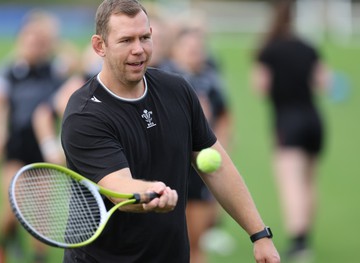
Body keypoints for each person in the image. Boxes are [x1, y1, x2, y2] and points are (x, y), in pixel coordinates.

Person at [61, 1, 280, 262]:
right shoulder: (85, 115)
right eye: (126, 40)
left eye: (145, 37)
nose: (139, 50)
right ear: (100, 46)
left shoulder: (177, 90)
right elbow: (118, 186)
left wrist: (259, 234)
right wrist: (151, 192)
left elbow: (217, 166)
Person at [0, 10, 69, 263]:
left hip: (43, 148)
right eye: (28, 39)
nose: (33, 45)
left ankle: (38, 257)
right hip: (16, 147)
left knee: (40, 211)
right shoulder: (8, 71)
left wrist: (53, 36)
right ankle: (0, 245)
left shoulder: (53, 68)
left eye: (39, 40)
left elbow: (77, 63)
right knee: (12, 203)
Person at [251, 0, 330, 261]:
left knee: (291, 183)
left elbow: (260, 86)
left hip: (288, 120)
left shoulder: (268, 50)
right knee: (309, 181)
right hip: (314, 120)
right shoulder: (308, 47)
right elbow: (323, 82)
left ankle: (298, 243)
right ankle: (306, 238)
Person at [167, 24, 233, 262]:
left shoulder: (211, 80)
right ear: (175, 49)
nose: (195, 52)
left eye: (199, 48)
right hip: (168, 167)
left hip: (200, 166)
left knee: (195, 240)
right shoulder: (162, 77)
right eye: (189, 48)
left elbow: (225, 115)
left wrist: (222, 147)